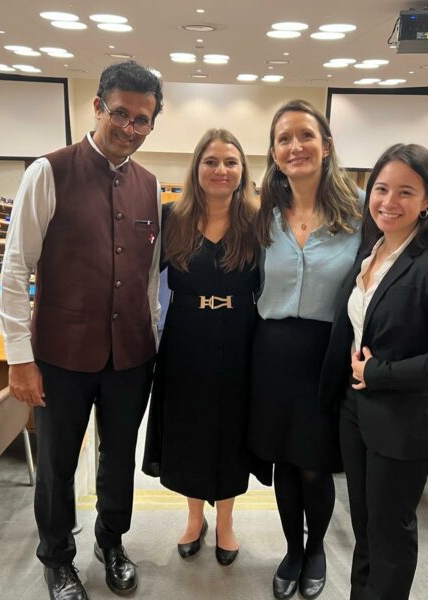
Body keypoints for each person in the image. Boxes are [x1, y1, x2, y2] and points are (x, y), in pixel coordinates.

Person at [0, 61, 163, 600]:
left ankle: (111, 544)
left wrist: (153, 345)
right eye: (122, 113)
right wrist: (19, 357)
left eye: (144, 119)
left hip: (131, 357)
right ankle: (57, 559)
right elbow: (15, 271)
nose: (131, 128)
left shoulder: (151, 184)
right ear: (97, 107)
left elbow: (146, 283)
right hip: (61, 355)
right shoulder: (47, 172)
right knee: (57, 465)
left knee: (119, 459)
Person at [319, 143, 428, 600]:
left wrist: (380, 373)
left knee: (390, 533)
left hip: (404, 420)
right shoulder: (373, 251)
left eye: (405, 192)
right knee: (364, 525)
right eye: (381, 188)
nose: (389, 201)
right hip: (357, 409)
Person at [248, 99, 363, 600]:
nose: (295, 146)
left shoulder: (362, 213)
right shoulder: (260, 216)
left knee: (315, 462)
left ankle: (315, 547)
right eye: (284, 139)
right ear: (273, 153)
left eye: (305, 136)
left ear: (327, 145)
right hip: (271, 351)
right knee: (284, 463)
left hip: (326, 352)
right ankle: (291, 550)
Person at [142, 128, 259, 567]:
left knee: (232, 427)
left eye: (231, 162)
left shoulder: (257, 220)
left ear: (242, 170)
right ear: (197, 168)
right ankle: (194, 518)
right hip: (187, 334)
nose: (221, 170)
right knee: (189, 425)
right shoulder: (171, 217)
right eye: (211, 161)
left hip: (240, 334)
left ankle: (226, 520)